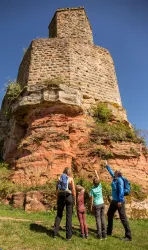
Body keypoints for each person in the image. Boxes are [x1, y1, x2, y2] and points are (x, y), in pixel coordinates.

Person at [105, 160, 132, 241]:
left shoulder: (119, 180)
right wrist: (107, 165)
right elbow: (111, 172)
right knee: (109, 214)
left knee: (123, 217)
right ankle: (109, 231)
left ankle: (128, 236)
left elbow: (121, 191)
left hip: (119, 201)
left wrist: (120, 201)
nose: (114, 172)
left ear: (118, 173)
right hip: (114, 201)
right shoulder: (115, 178)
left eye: (115, 171)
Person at [54, 167, 76, 240]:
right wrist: (74, 199)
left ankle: (55, 234)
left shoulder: (59, 178)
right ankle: (68, 237)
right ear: (69, 172)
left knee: (59, 214)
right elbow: (73, 190)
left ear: (64, 172)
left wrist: (57, 198)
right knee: (69, 217)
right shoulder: (71, 179)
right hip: (69, 197)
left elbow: (57, 189)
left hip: (60, 197)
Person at [89, 171, 106, 240]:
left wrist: (90, 207)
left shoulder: (92, 189)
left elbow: (91, 199)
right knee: (103, 218)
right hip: (102, 204)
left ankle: (99, 235)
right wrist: (96, 172)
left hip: (97, 205)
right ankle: (104, 235)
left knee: (98, 219)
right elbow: (98, 178)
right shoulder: (100, 186)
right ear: (98, 182)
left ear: (93, 183)